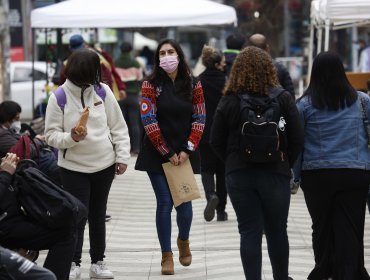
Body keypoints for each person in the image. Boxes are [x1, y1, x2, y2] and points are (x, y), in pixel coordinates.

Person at [210, 46, 303, 280]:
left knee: (249, 231)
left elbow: (215, 140)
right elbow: (298, 138)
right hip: (276, 173)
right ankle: (281, 277)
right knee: (277, 231)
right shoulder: (282, 97)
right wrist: (285, 161)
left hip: (239, 174)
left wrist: (232, 161)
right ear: (269, 69)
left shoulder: (229, 100)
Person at [44, 48, 131, 280]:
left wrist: (122, 157)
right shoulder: (59, 97)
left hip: (104, 164)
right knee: (77, 215)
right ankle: (73, 262)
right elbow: (51, 135)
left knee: (97, 214)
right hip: (72, 168)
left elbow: (119, 127)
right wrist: (71, 138)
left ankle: (98, 262)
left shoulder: (102, 93)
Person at [293, 51, 370, 280]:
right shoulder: (362, 101)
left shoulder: (304, 105)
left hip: (317, 175)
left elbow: (298, 145)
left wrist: (295, 177)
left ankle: (323, 270)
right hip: (355, 172)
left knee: (321, 225)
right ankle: (351, 273)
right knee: (352, 225)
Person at [135, 39, 205, 275]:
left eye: (171, 52)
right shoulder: (150, 85)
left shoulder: (194, 84)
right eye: (162, 53)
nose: (166, 56)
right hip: (157, 152)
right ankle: (167, 255)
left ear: (179, 54)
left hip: (185, 152)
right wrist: (166, 151)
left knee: (184, 205)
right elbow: (148, 120)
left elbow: (200, 118)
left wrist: (187, 149)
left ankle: (183, 240)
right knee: (164, 203)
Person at [0, 153, 76, 280]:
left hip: (13, 219)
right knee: (64, 234)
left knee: (65, 224)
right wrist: (5, 174)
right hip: (5, 227)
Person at [198, 45, 228, 222]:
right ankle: (221, 211)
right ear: (217, 64)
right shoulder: (226, 81)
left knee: (207, 169)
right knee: (222, 172)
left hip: (203, 131)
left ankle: (210, 195)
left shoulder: (198, 81)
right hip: (223, 132)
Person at [0, 101, 60, 185]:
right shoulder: (2, 135)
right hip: (35, 165)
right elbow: (24, 150)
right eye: (16, 119)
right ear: (8, 117)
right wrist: (38, 140)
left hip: (40, 160)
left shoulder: (8, 130)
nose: (18, 122)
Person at [59, 34, 126, 102]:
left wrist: (121, 88)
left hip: (97, 96)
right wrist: (121, 88)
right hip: (92, 97)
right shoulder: (100, 55)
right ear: (85, 44)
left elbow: (112, 71)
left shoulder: (67, 63)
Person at [115, 42, 143, 155]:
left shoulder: (115, 63)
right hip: (133, 96)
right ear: (131, 50)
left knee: (122, 123)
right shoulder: (136, 63)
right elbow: (140, 78)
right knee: (134, 123)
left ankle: (124, 148)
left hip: (120, 95)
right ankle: (136, 148)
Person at [249, 33, 296, 100]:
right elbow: (291, 98)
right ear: (267, 48)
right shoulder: (279, 68)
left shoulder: (241, 69)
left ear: (247, 49)